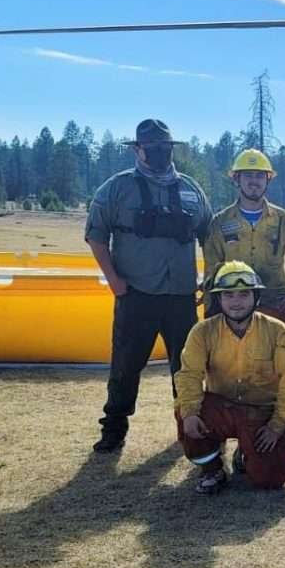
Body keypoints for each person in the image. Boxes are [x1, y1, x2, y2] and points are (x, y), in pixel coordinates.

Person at [85, 118, 211, 453]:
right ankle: (114, 428)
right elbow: (96, 236)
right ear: (137, 149)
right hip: (136, 294)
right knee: (125, 366)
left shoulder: (191, 189)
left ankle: (189, 424)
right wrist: (115, 281)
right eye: (151, 147)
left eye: (164, 146)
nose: (158, 152)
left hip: (181, 297)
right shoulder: (116, 188)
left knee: (186, 366)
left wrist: (208, 279)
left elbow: (209, 236)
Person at [204, 147, 285, 449]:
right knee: (227, 366)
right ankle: (228, 421)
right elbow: (211, 267)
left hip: (273, 304)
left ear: (267, 180)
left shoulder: (284, 221)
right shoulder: (219, 223)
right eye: (247, 176)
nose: (253, 181)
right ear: (236, 180)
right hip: (230, 306)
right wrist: (212, 308)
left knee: (282, 366)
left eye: (259, 176)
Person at [173, 262, 285, 494]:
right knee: (185, 413)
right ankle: (213, 469)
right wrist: (191, 413)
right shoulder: (202, 332)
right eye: (228, 294)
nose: (236, 301)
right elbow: (189, 375)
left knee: (270, 479)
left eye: (244, 294)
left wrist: (277, 425)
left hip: (262, 413)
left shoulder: (277, 331)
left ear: (256, 297)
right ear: (218, 299)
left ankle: (247, 453)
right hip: (220, 408)